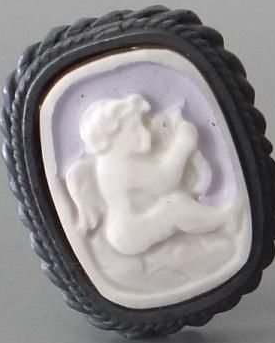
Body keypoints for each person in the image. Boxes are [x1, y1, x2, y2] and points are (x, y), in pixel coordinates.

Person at [66, 94, 239, 256]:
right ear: (110, 138)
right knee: (174, 207)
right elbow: (166, 181)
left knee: (175, 202)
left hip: (129, 228)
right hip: (130, 233)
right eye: (134, 128)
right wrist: (182, 145)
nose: (144, 131)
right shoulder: (120, 167)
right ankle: (224, 219)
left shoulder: (116, 161)